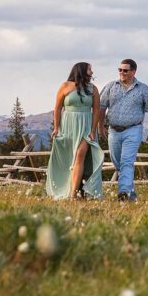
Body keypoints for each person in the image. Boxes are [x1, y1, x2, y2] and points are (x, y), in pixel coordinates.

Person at [98, 58, 148, 202]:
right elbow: (101, 107)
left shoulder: (143, 89)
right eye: (120, 70)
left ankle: (123, 193)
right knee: (117, 162)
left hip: (133, 129)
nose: (122, 73)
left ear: (133, 71)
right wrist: (100, 126)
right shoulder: (110, 87)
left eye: (125, 70)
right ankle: (131, 194)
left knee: (127, 161)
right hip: (113, 130)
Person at [46, 62, 104, 200]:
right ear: (82, 70)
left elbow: (96, 110)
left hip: (86, 126)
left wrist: (93, 130)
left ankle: (73, 194)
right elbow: (58, 108)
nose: (92, 71)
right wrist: (56, 128)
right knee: (69, 159)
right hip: (68, 125)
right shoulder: (65, 86)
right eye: (90, 69)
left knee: (80, 155)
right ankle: (67, 189)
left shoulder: (93, 89)